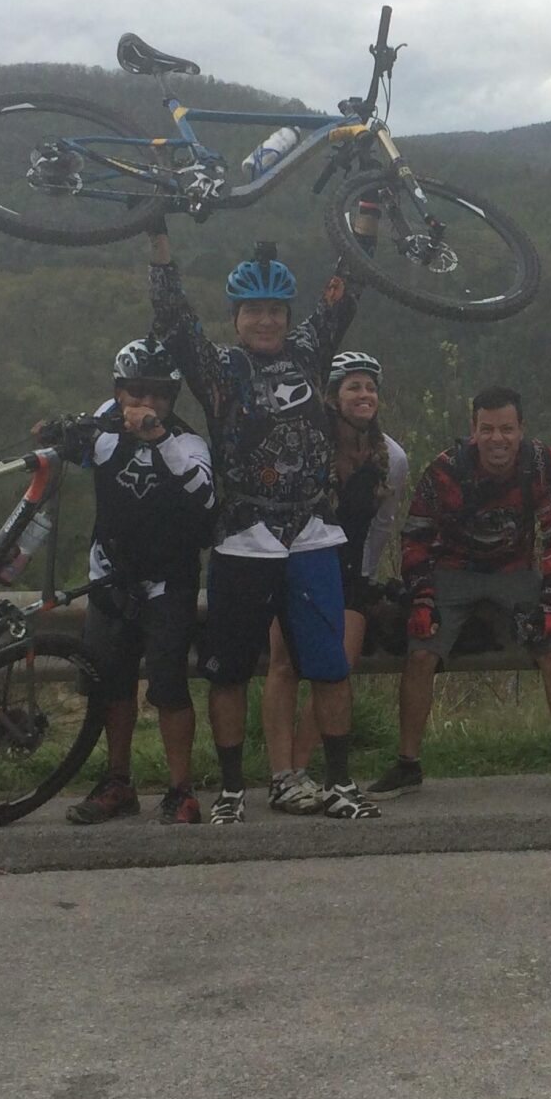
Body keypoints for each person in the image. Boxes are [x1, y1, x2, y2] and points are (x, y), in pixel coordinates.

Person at [145, 231, 375, 823]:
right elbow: (176, 320)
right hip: (244, 533)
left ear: (288, 316)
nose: (266, 321)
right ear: (237, 317)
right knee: (229, 671)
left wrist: (364, 220)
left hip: (312, 533)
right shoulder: (220, 368)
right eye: (255, 311)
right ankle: (230, 792)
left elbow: (343, 295)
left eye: (276, 310)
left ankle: (341, 784)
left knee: (327, 664)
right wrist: (160, 247)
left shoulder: (308, 351)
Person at [373, 387, 551, 804]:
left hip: (515, 570)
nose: (497, 439)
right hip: (454, 569)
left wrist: (549, 603)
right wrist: (421, 597)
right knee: (420, 654)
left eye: (507, 429)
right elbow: (416, 535)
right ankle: (407, 764)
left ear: (521, 430)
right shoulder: (446, 470)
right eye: (487, 429)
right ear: (473, 430)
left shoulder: (544, 464)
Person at [55, 341, 217, 825]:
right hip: (110, 575)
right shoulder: (106, 428)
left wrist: (158, 437)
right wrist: (55, 432)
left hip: (169, 581)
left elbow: (205, 500)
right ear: (119, 391)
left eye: (158, 394)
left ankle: (180, 790)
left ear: (173, 396)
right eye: (134, 392)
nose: (144, 402)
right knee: (111, 685)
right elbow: (67, 447)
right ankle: (118, 784)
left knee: (168, 687)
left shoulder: (187, 443)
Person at [261, 351, 409, 806]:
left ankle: (303, 769)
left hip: (348, 573)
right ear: (330, 397)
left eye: (370, 387)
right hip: (296, 562)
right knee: (284, 664)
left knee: (334, 671)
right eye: (353, 387)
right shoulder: (308, 449)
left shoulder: (391, 457)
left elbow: (383, 523)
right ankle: (281, 774)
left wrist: (366, 575)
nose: (364, 395)